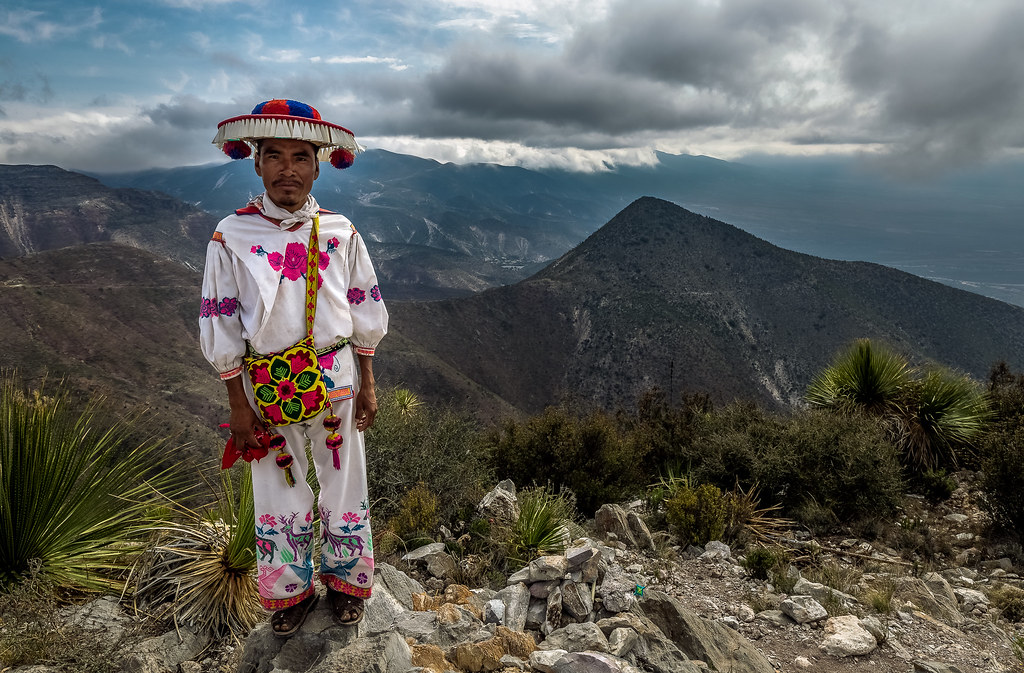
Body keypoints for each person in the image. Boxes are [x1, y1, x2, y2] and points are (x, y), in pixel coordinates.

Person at [199, 99, 387, 636]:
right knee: (278, 486)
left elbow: (361, 305)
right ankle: (289, 592)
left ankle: (348, 582)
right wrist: (238, 405)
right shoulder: (230, 236)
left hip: (338, 379)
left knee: (345, 479)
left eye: (300, 157)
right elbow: (222, 322)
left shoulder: (340, 231)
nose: (288, 169)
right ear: (255, 162)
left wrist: (368, 381)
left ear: (318, 164)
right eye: (275, 156)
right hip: (265, 386)